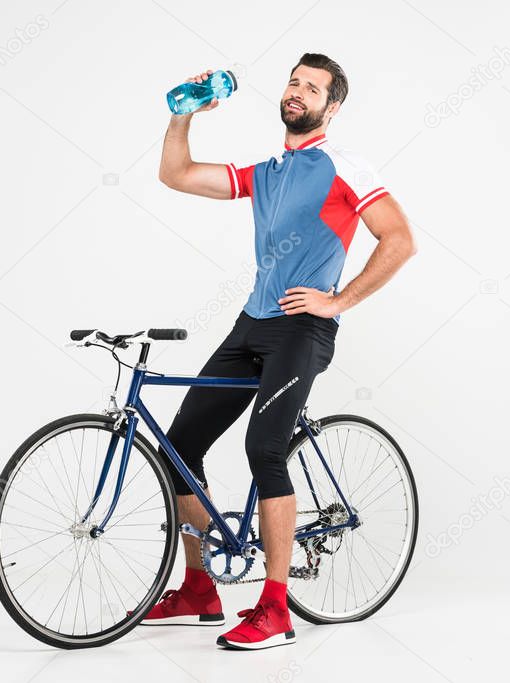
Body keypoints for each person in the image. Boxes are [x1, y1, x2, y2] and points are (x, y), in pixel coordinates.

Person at [150, 53, 416, 650]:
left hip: (302, 329)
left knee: (263, 449)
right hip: (251, 323)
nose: (298, 92)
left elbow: (400, 239)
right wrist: (180, 118)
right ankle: (200, 589)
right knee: (178, 448)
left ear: (332, 106)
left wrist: (338, 301)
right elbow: (177, 175)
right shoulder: (268, 170)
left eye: (312, 87)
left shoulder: (345, 166)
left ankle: (275, 610)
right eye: (294, 82)